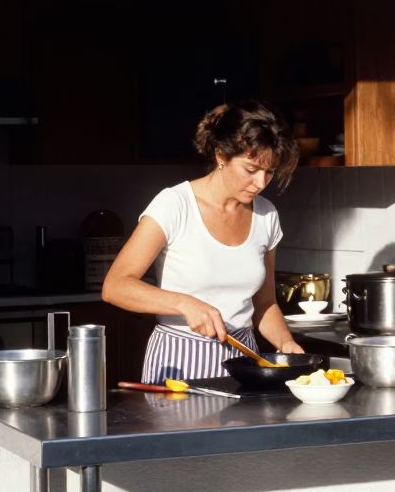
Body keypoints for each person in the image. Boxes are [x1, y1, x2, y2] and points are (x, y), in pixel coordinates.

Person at [102, 100, 305, 382]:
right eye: (250, 169)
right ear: (221, 155)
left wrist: (285, 345)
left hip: (244, 362)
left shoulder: (267, 215)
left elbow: (265, 303)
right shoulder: (174, 204)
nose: (260, 182)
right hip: (177, 364)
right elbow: (116, 286)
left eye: (269, 172)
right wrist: (185, 304)